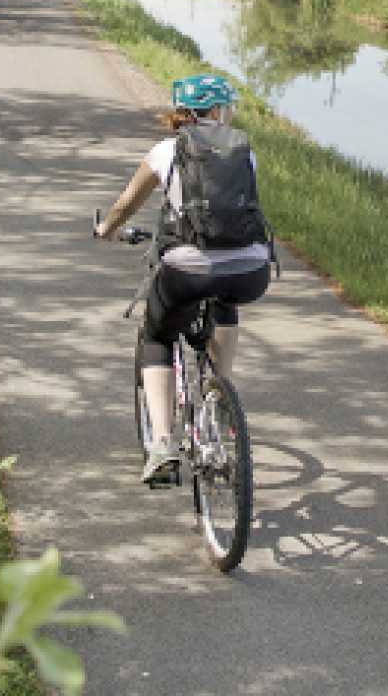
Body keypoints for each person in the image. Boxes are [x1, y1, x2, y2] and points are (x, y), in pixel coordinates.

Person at [95, 72, 274, 485]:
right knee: (224, 295)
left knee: (157, 335)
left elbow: (126, 205)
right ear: (215, 111)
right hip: (251, 269)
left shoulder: (164, 151)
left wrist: (107, 230)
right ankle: (220, 392)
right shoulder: (244, 154)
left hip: (187, 270)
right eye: (226, 107)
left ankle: (161, 445)